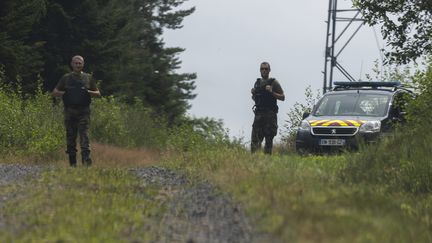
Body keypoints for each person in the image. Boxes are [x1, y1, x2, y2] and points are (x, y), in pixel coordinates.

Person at [52, 55, 101, 167]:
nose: (78, 65)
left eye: (80, 63)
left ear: (83, 64)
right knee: (70, 137)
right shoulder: (66, 78)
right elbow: (54, 92)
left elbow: (98, 94)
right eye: (76, 63)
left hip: (84, 111)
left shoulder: (88, 78)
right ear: (72, 64)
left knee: (84, 137)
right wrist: (67, 93)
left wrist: (87, 92)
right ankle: (72, 163)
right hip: (70, 112)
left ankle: (86, 162)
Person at [251, 62, 285, 154]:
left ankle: (267, 163)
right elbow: (255, 99)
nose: (264, 70)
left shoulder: (274, 82)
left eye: (266, 69)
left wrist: (272, 92)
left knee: (268, 142)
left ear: (269, 70)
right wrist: (254, 95)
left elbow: (282, 97)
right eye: (262, 69)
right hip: (258, 115)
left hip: (270, 116)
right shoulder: (257, 83)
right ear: (260, 70)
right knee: (255, 141)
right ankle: (253, 163)